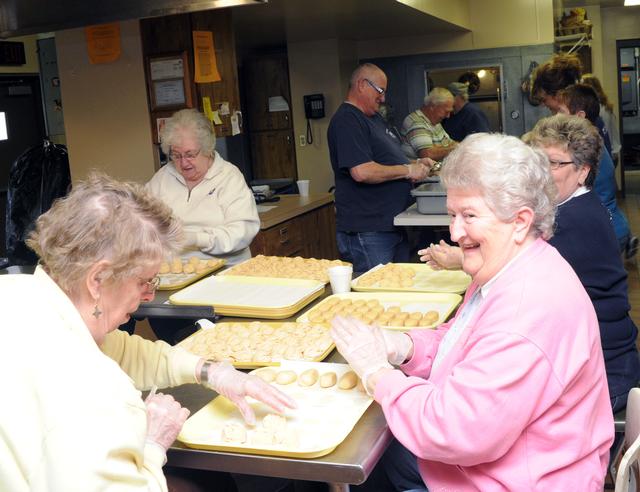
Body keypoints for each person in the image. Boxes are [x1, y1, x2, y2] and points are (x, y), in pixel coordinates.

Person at [333, 132, 614, 491]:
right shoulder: (510, 266)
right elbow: (461, 339)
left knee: (368, 462)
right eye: (452, 214)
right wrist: (403, 346)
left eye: (469, 215)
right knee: (386, 451)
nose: (454, 231)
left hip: (521, 480)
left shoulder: (526, 311)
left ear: (520, 221)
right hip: (501, 463)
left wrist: (377, 375)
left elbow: (453, 431)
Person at [0, 173, 295, 492]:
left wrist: (211, 371)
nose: (150, 295)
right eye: (144, 281)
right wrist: (154, 444)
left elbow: (123, 350)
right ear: (97, 279)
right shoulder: (90, 385)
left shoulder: (19, 293)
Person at [525, 114, 640, 412]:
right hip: (595, 363)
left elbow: (515, 267)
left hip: (604, 376)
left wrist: (463, 257)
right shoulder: (571, 205)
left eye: (553, 163)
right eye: (538, 162)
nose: (542, 172)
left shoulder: (574, 218)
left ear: (582, 171)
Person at [145, 108, 260, 343]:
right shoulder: (162, 179)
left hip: (224, 280)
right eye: (176, 155)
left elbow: (242, 232)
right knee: (168, 331)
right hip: (172, 282)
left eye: (190, 154)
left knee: (218, 342)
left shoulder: (229, 177)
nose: (183, 163)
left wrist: (195, 238)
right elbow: (140, 218)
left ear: (207, 150)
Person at [327, 63, 431, 274]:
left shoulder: (374, 119)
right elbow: (362, 171)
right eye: (380, 90)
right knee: (377, 294)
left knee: (398, 291)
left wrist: (415, 165)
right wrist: (407, 171)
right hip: (369, 229)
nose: (383, 98)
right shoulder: (348, 120)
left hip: (391, 223)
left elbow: (387, 160)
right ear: (362, 85)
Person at [556, 83, 638, 259]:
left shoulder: (583, 149)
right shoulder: (593, 140)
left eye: (561, 112)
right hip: (613, 225)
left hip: (604, 230)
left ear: (579, 117)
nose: (556, 116)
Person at [531, 53, 613, 155]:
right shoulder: (588, 119)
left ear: (559, 94)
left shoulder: (583, 130)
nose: (543, 105)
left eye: (544, 100)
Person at [400, 87, 457, 161]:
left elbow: (450, 143)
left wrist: (459, 146)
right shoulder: (416, 122)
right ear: (432, 106)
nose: (448, 116)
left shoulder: (434, 120)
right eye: (446, 112)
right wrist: (455, 148)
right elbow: (427, 154)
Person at [581, 73, 622, 162]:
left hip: (608, 153)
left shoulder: (599, 109)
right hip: (612, 151)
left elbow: (603, 135)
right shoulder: (604, 106)